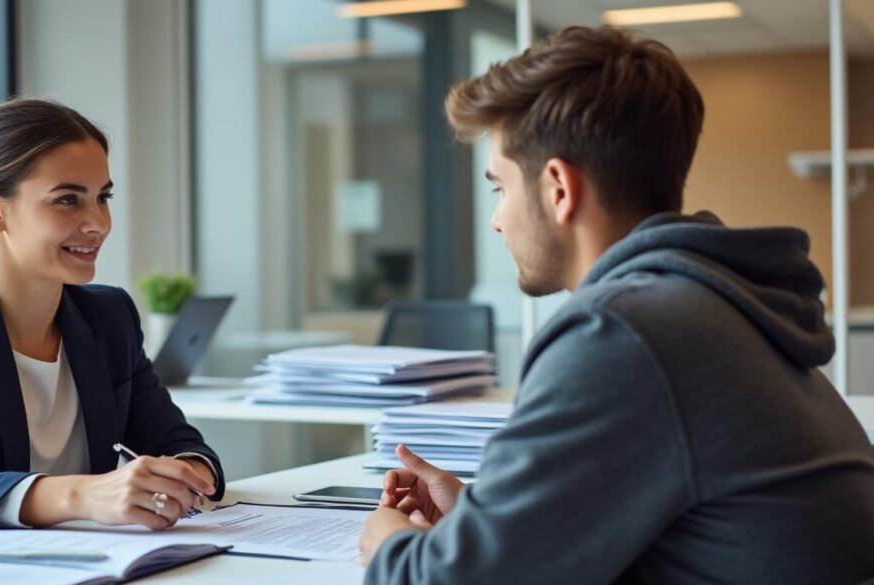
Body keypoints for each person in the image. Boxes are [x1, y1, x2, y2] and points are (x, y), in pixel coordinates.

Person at [359, 26, 874, 583]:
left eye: (500, 188)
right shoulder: (719, 307)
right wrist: (478, 519)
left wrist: (391, 544)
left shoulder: (624, 332)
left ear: (558, 187)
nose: (496, 219)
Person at [0, 99, 224, 552]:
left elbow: (180, 443)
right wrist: (86, 495)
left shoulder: (109, 317)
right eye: (68, 199)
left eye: (103, 197)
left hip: (71, 560)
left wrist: (187, 473)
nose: (98, 224)